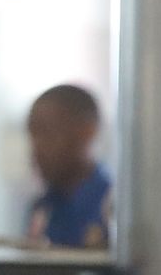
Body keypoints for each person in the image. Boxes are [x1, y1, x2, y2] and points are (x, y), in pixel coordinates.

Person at [25, 83, 112, 249]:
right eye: (32, 135)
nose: (37, 148)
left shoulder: (111, 208)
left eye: (47, 132)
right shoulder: (42, 209)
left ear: (87, 132)